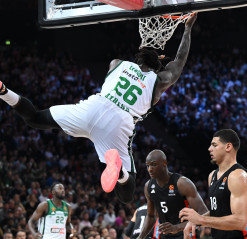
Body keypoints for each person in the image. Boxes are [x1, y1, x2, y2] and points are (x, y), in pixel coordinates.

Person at [0, 13, 197, 204]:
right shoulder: (160, 80)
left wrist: (152, 61)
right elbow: (179, 62)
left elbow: (139, 65)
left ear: (138, 59)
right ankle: (119, 172)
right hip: (120, 122)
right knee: (126, 194)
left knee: (35, 118)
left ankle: (4, 91)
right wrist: (187, 29)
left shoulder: (117, 63)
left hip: (94, 107)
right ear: (158, 68)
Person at [179, 129, 247, 239]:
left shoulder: (238, 176)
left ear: (228, 147)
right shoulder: (212, 176)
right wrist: (196, 221)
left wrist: (201, 219)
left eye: (214, 145)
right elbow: (217, 213)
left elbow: (240, 221)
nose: (209, 149)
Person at [137, 149, 208, 239]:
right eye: (147, 166)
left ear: (164, 163)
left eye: (154, 164)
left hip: (185, 232)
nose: (150, 169)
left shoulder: (182, 183)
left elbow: (203, 212)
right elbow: (151, 216)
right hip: (165, 235)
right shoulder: (148, 186)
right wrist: (140, 237)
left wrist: (177, 227)